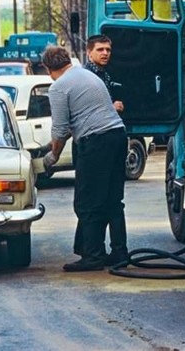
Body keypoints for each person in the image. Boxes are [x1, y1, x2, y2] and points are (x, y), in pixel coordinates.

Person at [42, 46, 128, 272]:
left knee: (87, 202)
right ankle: (120, 253)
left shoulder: (58, 87)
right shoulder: (87, 75)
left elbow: (60, 129)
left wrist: (52, 157)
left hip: (96, 143)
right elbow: (84, 116)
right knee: (112, 200)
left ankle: (93, 256)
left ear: (47, 68)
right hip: (118, 136)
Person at [83, 34, 124, 113]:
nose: (105, 53)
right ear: (89, 52)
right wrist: (112, 108)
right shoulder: (85, 75)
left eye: (108, 50)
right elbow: (85, 109)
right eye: (100, 49)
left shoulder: (105, 74)